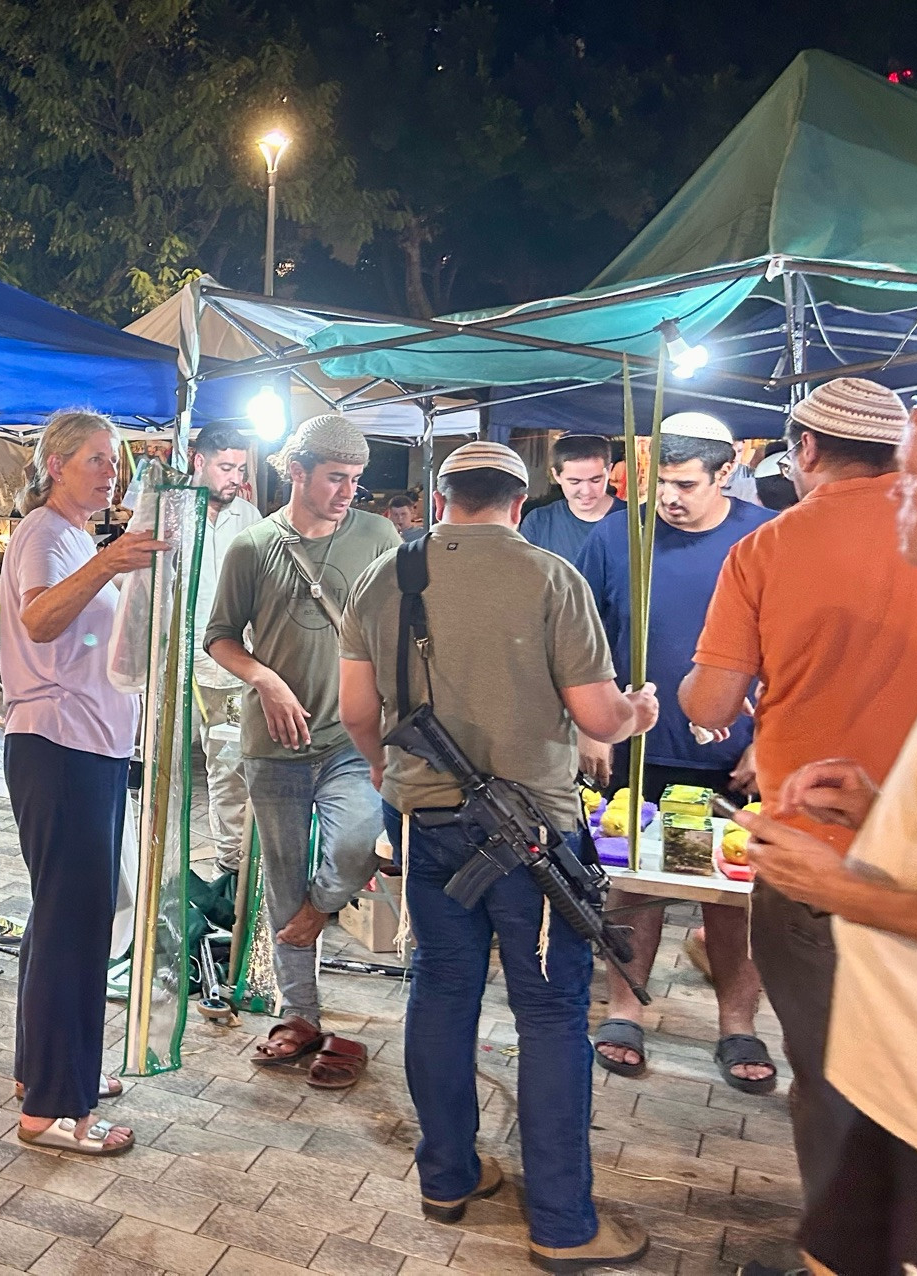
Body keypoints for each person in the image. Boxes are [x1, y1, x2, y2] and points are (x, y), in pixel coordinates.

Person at [341, 441, 658, 1269]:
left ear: (443, 495)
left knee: (440, 990)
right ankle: (561, 1222)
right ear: (521, 502)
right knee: (550, 1016)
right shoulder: (552, 578)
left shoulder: (386, 576)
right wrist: (639, 712)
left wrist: (386, 771)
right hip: (533, 832)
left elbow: (355, 709)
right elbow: (597, 716)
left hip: (423, 823)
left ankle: (446, 1177)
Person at [680, 376, 917, 1214]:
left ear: (810, 449)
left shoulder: (768, 547)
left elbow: (712, 705)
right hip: (914, 848)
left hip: (811, 854)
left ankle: (852, 1244)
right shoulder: (914, 527)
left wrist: (700, 697)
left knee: (835, 1086)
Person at [574, 412, 777, 1092]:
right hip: (639, 747)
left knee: (733, 895)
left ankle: (736, 1024)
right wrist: (593, 725)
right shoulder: (617, 534)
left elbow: (790, 650)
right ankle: (626, 1008)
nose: (670, 498)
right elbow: (586, 639)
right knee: (634, 885)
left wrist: (773, 739)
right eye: (660, 482)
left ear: (726, 472)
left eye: (686, 484)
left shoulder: (763, 536)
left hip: (738, 755)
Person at [203, 413, 398, 1081]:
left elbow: (403, 628)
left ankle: (318, 913)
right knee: (282, 877)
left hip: (353, 736)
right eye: (336, 478)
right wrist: (264, 678)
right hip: (274, 742)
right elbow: (221, 637)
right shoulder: (252, 546)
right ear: (297, 472)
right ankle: (299, 1014)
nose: (349, 492)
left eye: (356, 480)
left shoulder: (378, 536)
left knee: (354, 842)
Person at [0, 410, 166, 1157]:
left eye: (117, 462)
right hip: (60, 746)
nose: (111, 473)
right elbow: (39, 621)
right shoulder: (46, 532)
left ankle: (47, 1072)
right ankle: (53, 1111)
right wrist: (106, 566)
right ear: (57, 462)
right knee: (75, 925)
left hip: (83, 746)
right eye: (97, 459)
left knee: (60, 919)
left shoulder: (71, 536)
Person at [185, 424, 263, 877]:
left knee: (229, 762)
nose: (235, 477)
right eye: (226, 467)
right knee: (169, 763)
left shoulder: (249, 517)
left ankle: (232, 863)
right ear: (200, 462)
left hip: (229, 656)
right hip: (176, 660)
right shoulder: (170, 512)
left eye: (240, 468)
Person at [519, 434, 625, 562]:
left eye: (595, 480)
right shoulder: (538, 522)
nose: (586, 491)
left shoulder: (636, 520)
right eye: (575, 482)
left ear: (609, 470)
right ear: (556, 475)